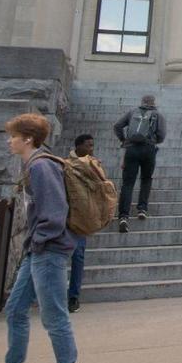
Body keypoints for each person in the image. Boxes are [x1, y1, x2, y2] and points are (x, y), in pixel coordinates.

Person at [0, 113, 81, 363]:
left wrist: (38, 240)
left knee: (54, 316)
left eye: (13, 135)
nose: (9, 140)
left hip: (49, 250)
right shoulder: (33, 164)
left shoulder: (41, 166)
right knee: (15, 310)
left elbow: (55, 214)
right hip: (37, 250)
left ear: (27, 139)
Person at [114, 94, 165, 233]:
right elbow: (161, 135)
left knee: (128, 183)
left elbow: (117, 126)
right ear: (154, 103)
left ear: (142, 102)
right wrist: (153, 140)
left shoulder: (132, 112)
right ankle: (142, 208)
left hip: (131, 149)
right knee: (146, 179)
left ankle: (124, 216)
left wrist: (124, 139)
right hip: (148, 149)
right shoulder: (157, 115)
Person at [66, 133, 105, 313]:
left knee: (78, 257)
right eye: (88, 146)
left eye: (92, 146)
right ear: (78, 146)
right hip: (66, 218)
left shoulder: (93, 165)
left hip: (82, 219)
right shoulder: (66, 164)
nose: (91, 149)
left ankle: (73, 296)